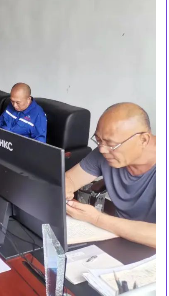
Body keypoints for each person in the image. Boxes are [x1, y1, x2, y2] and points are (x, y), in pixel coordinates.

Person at [65, 102, 156, 249]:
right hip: (118, 239)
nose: (102, 150)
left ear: (143, 140)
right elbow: (69, 179)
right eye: (98, 140)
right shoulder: (105, 152)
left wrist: (96, 218)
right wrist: (65, 189)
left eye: (111, 144)